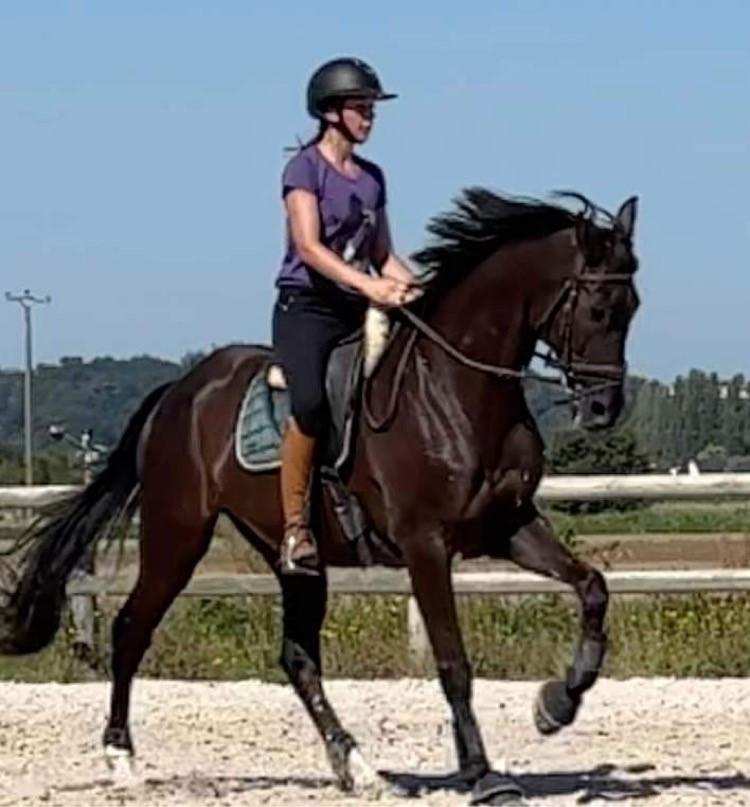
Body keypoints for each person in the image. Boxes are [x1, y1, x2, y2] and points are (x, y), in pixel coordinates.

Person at [273, 57, 415, 575]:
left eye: (372, 108)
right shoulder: (303, 169)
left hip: (358, 305)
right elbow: (308, 247)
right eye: (362, 108)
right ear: (332, 113)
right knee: (309, 403)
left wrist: (417, 288)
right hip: (307, 308)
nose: (370, 117)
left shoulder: (373, 177)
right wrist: (369, 285)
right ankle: (294, 530)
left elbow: (384, 254)